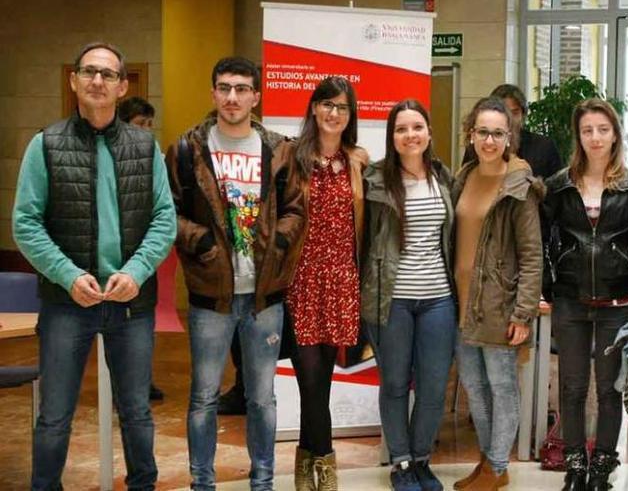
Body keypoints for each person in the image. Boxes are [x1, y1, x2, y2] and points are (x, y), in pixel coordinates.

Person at [13, 42, 176, 490]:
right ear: (74, 80)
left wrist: (137, 271)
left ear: (123, 86)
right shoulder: (44, 144)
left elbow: (165, 218)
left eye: (107, 74)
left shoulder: (145, 147)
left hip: (130, 301)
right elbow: (25, 224)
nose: (97, 81)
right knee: (55, 415)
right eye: (89, 72)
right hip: (68, 302)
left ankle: (143, 484)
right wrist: (68, 275)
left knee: (138, 411)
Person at [165, 56, 304, 491]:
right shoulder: (187, 149)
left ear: (256, 96)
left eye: (242, 88)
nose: (232, 97)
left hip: (265, 298)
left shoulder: (280, 149)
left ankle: (262, 480)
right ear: (213, 93)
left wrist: (277, 245)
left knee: (262, 398)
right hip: (211, 297)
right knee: (204, 397)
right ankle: (201, 482)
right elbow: (167, 212)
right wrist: (203, 243)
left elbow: (297, 210)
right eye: (224, 87)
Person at [541, 98, 628, 491]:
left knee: (609, 390)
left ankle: (601, 469)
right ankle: (575, 466)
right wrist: (546, 283)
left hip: (618, 303)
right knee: (571, 388)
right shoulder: (559, 185)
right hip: (570, 300)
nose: (595, 137)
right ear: (578, 135)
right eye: (587, 130)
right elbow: (539, 238)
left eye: (602, 129)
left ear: (615, 134)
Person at [361, 99, 456, 491]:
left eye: (417, 127)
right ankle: (400, 462)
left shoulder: (443, 176)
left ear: (429, 133)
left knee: (433, 387)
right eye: (401, 129)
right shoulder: (375, 180)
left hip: (438, 299)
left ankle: (420, 459)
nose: (410, 135)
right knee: (395, 384)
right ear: (392, 137)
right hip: (391, 300)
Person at [451, 96, 543, 490]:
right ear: (471, 135)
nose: (489, 141)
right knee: (475, 387)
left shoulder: (518, 185)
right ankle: (491, 464)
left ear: (509, 138)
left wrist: (522, 314)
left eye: (498, 133)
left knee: (502, 387)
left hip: (499, 306)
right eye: (483, 132)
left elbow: (532, 255)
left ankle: (497, 464)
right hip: (461, 305)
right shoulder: (463, 176)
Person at [286, 76, 369, 491]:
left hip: (341, 281)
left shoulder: (359, 161)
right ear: (314, 109)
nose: (334, 113)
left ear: (350, 115)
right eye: (327, 104)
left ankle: (309, 470)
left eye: (342, 107)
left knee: (323, 381)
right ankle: (323, 469)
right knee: (310, 379)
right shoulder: (291, 158)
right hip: (302, 281)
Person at [118, 95, 167, 403]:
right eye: (140, 124)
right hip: (115, 254)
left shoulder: (155, 156)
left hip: (144, 254)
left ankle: (142, 380)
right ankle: (120, 384)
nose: (146, 130)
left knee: (142, 323)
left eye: (150, 124)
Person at [490, 83, 564, 179]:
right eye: (503, 112)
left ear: (523, 115)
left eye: (515, 113)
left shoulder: (544, 147)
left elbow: (560, 189)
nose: (510, 119)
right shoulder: (481, 146)